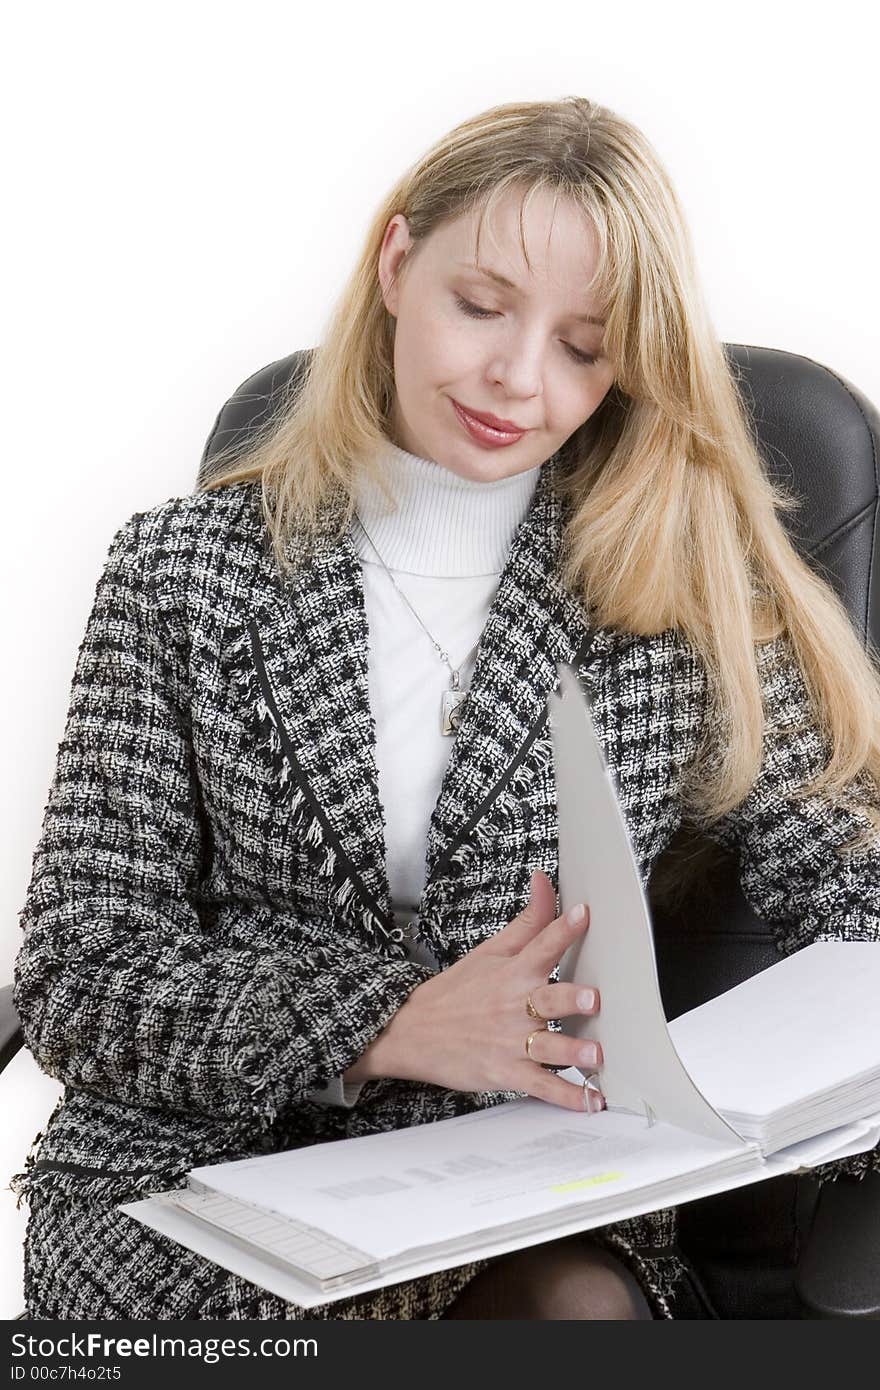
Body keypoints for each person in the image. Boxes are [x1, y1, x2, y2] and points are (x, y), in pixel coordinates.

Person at [11, 95, 880, 1321]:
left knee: (572, 1311)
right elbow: (78, 970)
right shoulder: (181, 571)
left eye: (584, 345)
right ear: (397, 263)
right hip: (193, 1176)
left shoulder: (668, 581)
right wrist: (387, 1024)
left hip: (508, 1183)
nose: (517, 378)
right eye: (481, 305)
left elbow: (856, 891)